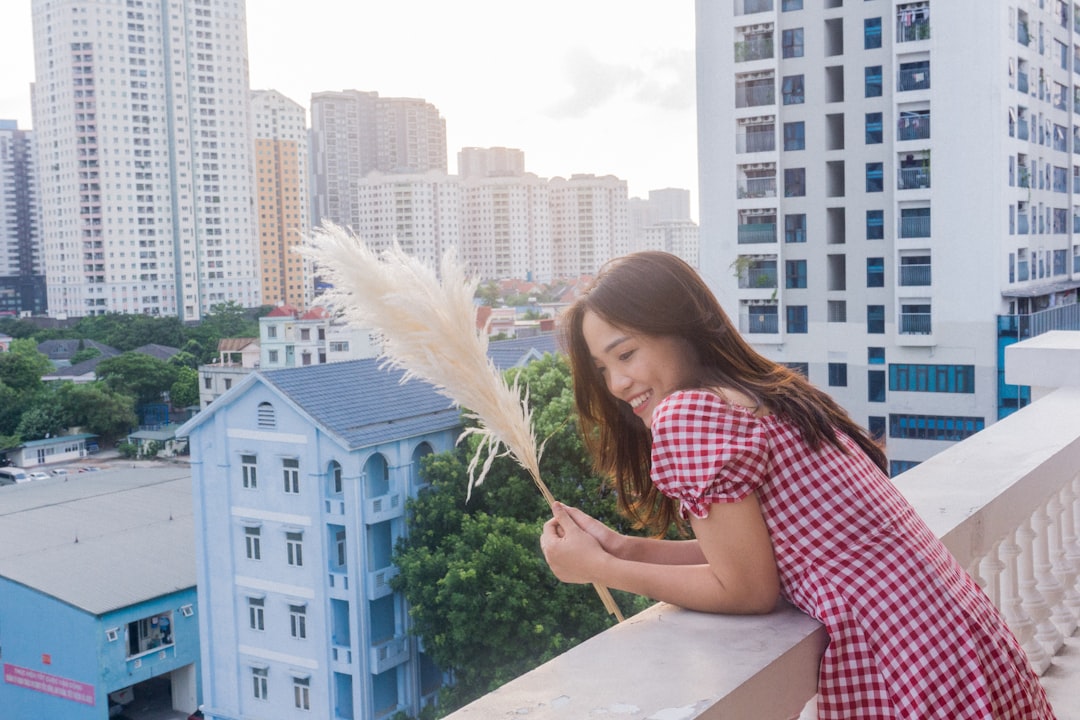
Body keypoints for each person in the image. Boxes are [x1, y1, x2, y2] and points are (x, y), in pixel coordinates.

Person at [539, 251, 1055, 719]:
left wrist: (601, 569)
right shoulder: (762, 392)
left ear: (681, 329)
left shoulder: (689, 414)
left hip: (900, 660)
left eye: (625, 355)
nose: (617, 385)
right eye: (603, 368)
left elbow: (746, 588)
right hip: (951, 639)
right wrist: (626, 548)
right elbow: (774, 553)